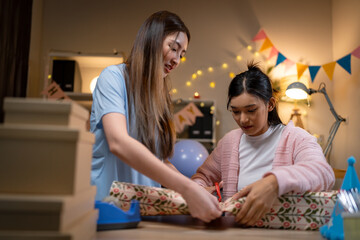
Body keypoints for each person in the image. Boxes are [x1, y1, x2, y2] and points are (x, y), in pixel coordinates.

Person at [90, 10, 222, 222]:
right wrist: (187, 189)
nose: (177, 60)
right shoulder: (112, 78)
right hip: (107, 210)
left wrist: (200, 190)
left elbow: (160, 160)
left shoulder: (160, 98)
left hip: (143, 215)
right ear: (152, 39)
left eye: (182, 54)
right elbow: (118, 142)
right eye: (174, 48)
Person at [191, 62, 335, 226]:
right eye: (236, 111)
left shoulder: (297, 138)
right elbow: (201, 178)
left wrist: (273, 183)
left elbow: (323, 172)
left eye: (251, 110)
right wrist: (200, 191)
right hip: (234, 231)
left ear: (270, 104)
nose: (243, 119)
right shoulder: (229, 142)